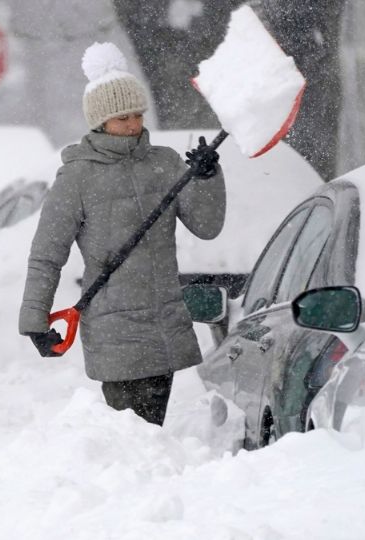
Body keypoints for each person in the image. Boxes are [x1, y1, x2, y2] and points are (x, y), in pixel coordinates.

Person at [18, 42, 226, 426]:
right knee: (132, 435)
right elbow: (47, 253)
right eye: (121, 118)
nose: (132, 124)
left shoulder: (164, 163)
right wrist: (34, 319)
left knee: (151, 433)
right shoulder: (77, 177)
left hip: (164, 323)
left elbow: (207, 226)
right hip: (115, 330)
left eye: (136, 114)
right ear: (99, 122)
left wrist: (207, 178)